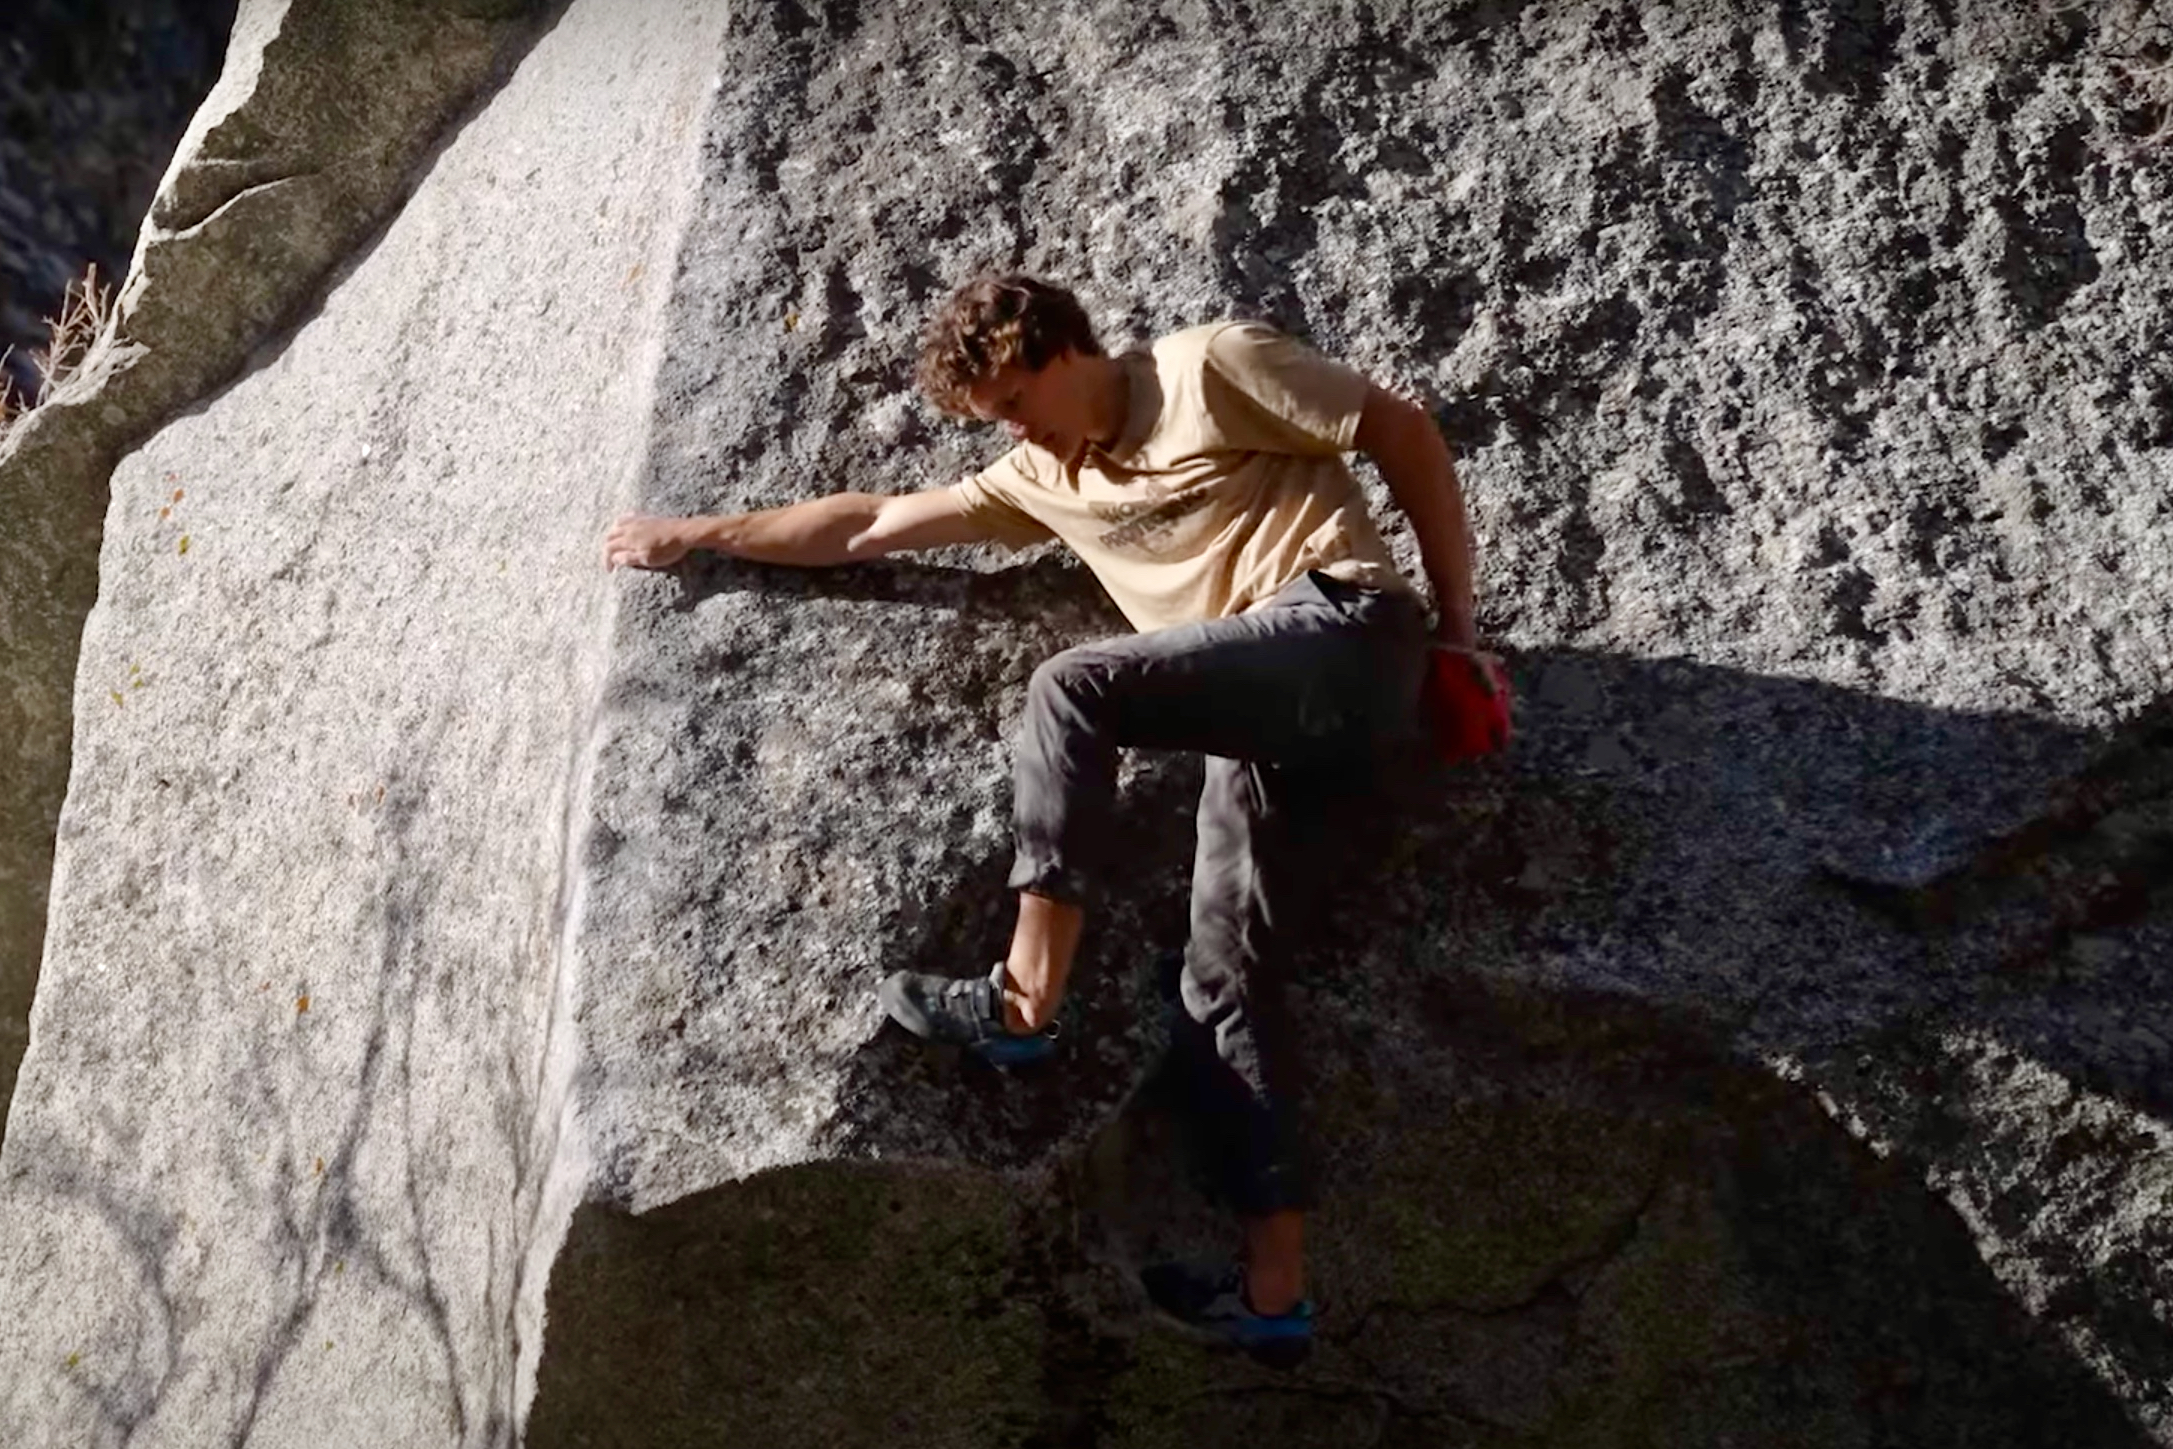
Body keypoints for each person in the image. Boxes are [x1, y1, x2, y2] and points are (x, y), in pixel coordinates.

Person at [602, 273, 1478, 1368]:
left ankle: (1022, 1003)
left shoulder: (1209, 368)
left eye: (1018, 402)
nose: (1016, 432)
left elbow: (1396, 424)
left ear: (1066, 351)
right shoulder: (1041, 475)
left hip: (1341, 628)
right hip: (1266, 727)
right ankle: (1274, 1295)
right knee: (1220, 983)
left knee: (1072, 686)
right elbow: (873, 524)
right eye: (995, 422)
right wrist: (700, 534)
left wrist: (1453, 628)